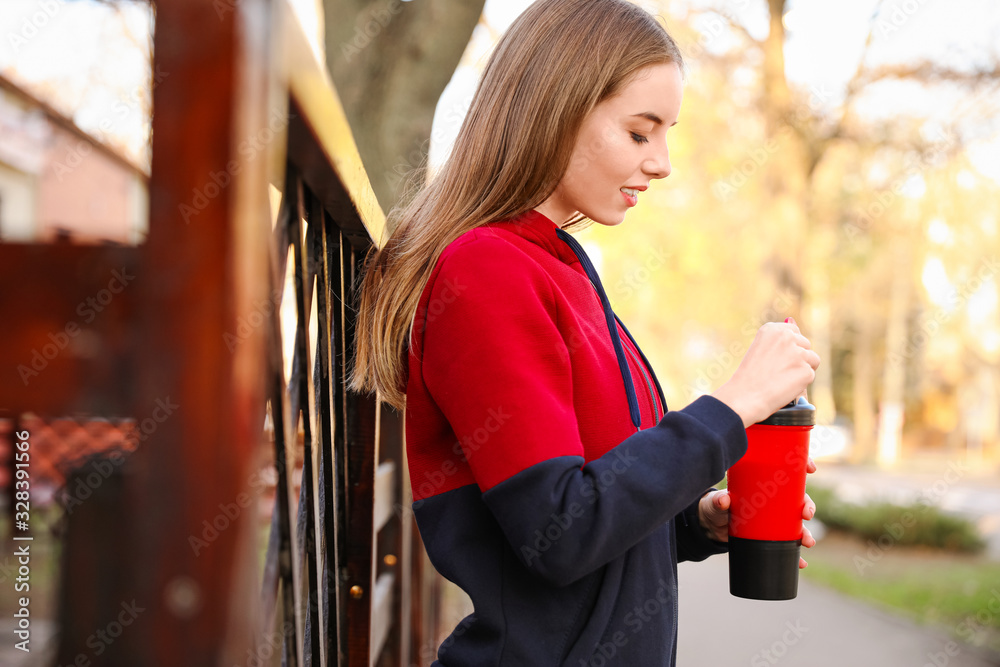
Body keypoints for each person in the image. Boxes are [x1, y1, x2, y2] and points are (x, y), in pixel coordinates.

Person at [350, 0, 821, 664]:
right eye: (639, 132)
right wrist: (736, 405)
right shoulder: (487, 269)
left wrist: (694, 521)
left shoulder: (562, 266)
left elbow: (592, 501)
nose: (661, 162)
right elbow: (557, 533)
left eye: (667, 133)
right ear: (557, 110)